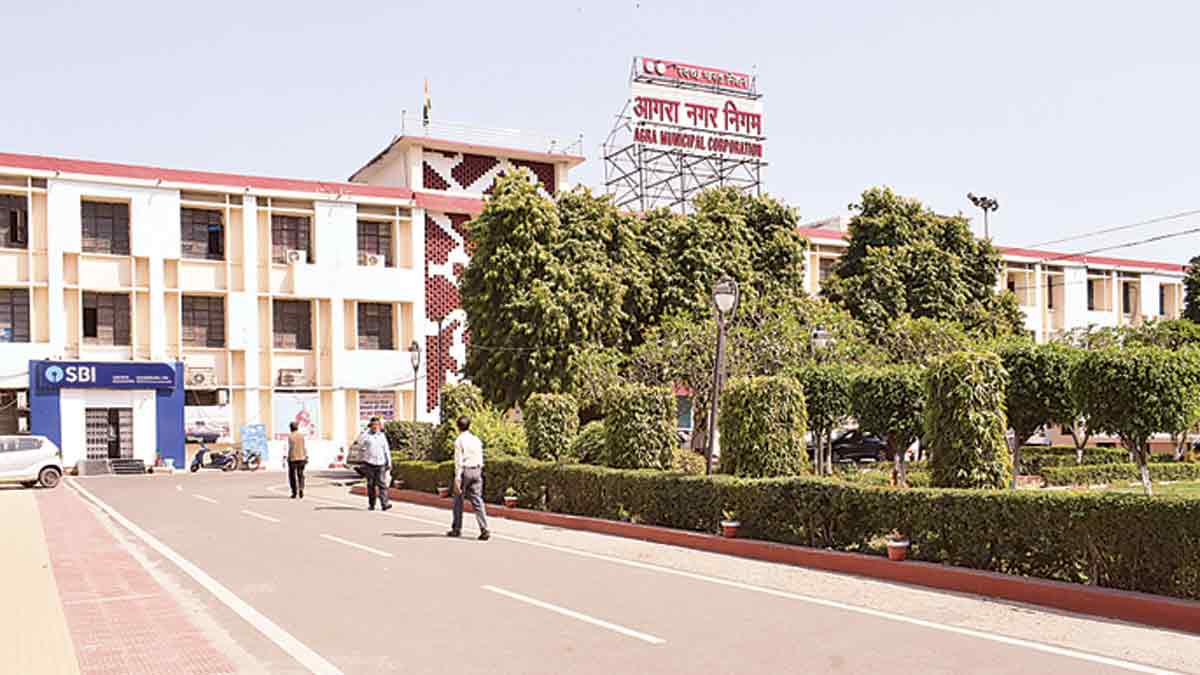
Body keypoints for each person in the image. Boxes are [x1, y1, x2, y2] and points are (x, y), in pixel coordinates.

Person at [447, 415, 489, 540]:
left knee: (458, 500)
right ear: (469, 425)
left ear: (458, 427)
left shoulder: (459, 441)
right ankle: (484, 528)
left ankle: (457, 528)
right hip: (477, 469)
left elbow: (458, 461)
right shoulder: (476, 439)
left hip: (465, 471)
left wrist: (457, 478)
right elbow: (480, 456)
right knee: (477, 500)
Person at [357, 417, 392, 511]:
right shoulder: (366, 435)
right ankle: (372, 504)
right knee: (371, 484)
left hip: (380, 463)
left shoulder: (382, 436)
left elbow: (386, 449)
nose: (376, 427)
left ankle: (384, 504)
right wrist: (365, 430)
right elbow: (360, 442)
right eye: (374, 425)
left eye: (377, 425)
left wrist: (389, 462)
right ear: (370, 426)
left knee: (382, 484)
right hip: (369, 463)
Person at [287, 421, 307, 499]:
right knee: (300, 474)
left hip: (293, 458)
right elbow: (304, 447)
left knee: (292, 476)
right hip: (302, 457)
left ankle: (294, 492)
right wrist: (305, 456)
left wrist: (288, 457)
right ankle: (301, 488)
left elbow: (290, 447)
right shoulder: (301, 436)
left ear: (291, 428)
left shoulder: (290, 436)